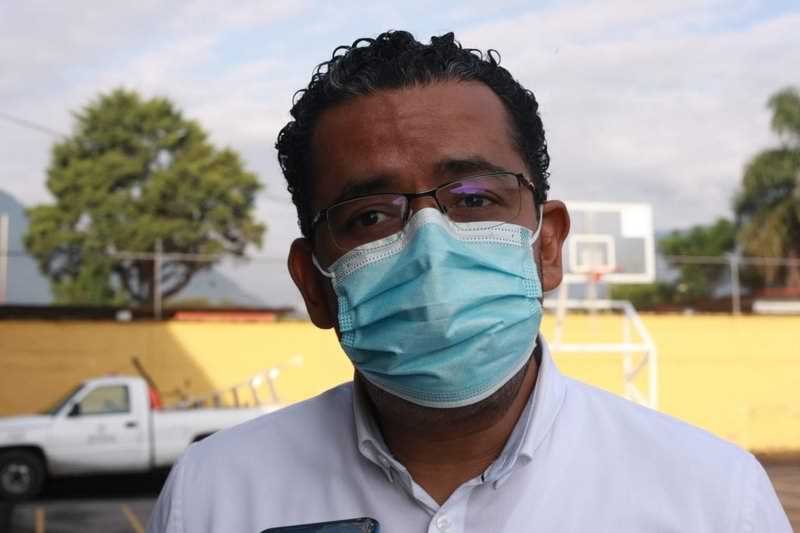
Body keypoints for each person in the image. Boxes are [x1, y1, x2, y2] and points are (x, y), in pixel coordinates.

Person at [147, 31, 790, 532]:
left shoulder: (714, 499)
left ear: (548, 246)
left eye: (475, 198)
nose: (429, 249)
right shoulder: (212, 497)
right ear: (313, 285)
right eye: (370, 215)